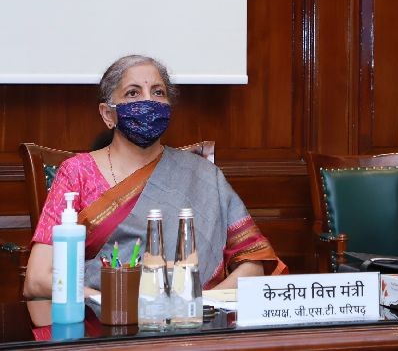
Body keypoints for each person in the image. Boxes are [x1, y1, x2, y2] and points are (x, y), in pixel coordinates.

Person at [23, 55, 287, 298]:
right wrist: (110, 302)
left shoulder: (203, 175)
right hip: (105, 320)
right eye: (133, 92)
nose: (148, 101)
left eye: (158, 92)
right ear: (107, 114)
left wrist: (199, 304)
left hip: (195, 322)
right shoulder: (77, 172)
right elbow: (37, 279)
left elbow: (254, 264)